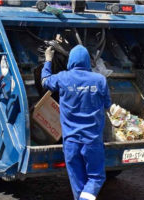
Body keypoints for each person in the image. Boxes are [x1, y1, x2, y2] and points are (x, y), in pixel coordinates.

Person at [41, 45, 111, 200]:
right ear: (87, 61)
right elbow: (107, 105)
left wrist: (48, 60)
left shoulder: (62, 78)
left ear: (71, 61)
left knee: (78, 183)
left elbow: (45, 81)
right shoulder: (100, 80)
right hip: (92, 141)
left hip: (71, 142)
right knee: (95, 178)